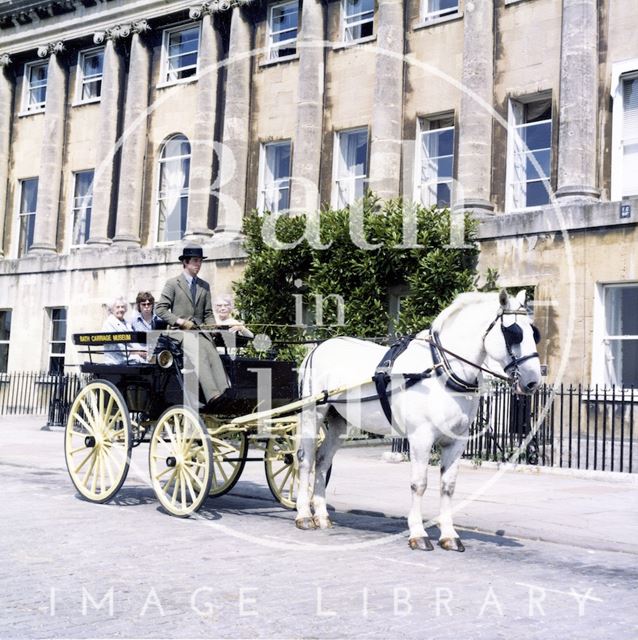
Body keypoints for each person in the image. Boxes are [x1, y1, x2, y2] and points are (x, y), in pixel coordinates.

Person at [155, 246, 229, 404]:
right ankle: (213, 396)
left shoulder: (204, 286)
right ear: (185, 262)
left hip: (200, 332)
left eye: (200, 261)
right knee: (198, 352)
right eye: (195, 261)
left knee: (213, 353)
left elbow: (208, 313)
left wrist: (213, 328)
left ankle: (225, 392)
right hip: (178, 334)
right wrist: (180, 321)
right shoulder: (173, 283)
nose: (198, 264)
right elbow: (160, 309)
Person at [101, 297, 146, 364]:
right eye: (118, 307)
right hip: (117, 359)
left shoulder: (127, 324)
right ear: (112, 309)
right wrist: (137, 352)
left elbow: (133, 342)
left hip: (129, 356)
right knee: (143, 362)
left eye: (122, 307)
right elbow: (116, 347)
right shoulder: (109, 324)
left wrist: (143, 350)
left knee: (153, 358)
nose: (121, 309)